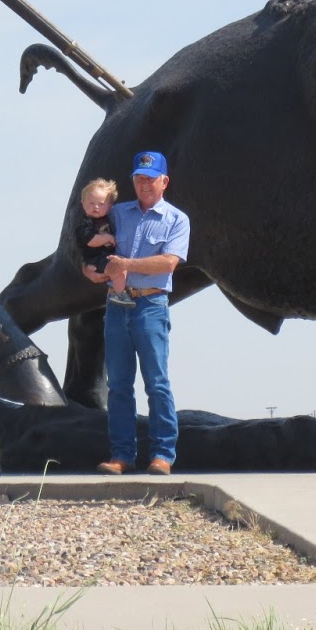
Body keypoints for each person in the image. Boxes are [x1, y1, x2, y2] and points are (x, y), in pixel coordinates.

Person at [89, 150, 190, 476]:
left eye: (150, 178)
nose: (144, 184)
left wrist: (126, 265)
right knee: (118, 385)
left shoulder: (177, 220)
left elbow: (169, 262)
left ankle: (163, 455)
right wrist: (88, 268)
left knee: (157, 383)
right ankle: (121, 455)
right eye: (139, 178)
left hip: (151, 305)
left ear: (164, 181)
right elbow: (90, 243)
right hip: (117, 304)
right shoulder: (117, 214)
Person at [75, 178, 130, 303]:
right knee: (120, 267)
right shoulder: (85, 224)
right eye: (91, 203)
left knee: (121, 266)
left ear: (109, 207)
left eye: (101, 204)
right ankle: (119, 294)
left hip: (105, 257)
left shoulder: (108, 219)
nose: (96, 207)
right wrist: (107, 238)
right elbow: (90, 240)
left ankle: (121, 291)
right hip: (95, 259)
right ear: (83, 203)